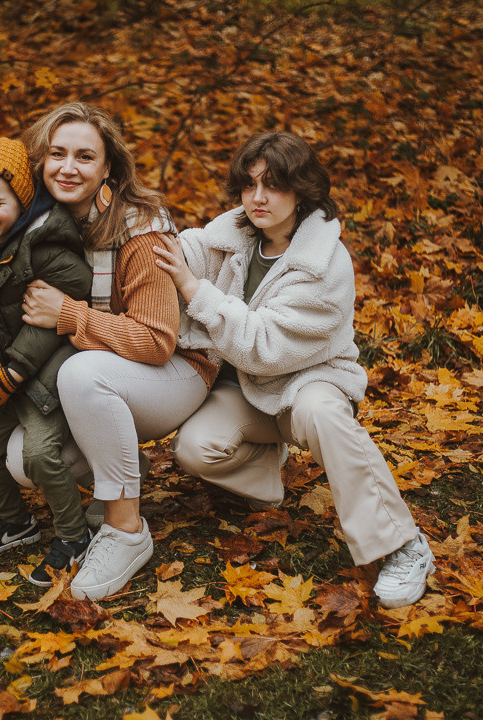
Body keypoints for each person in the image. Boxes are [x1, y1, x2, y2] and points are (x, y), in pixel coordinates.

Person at [152, 131, 435, 608]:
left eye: (274, 185)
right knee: (195, 450)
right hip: (249, 389)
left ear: (301, 190)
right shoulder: (235, 236)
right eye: (250, 184)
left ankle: (402, 544)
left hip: (310, 382)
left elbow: (262, 346)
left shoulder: (324, 263)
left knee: (322, 414)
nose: (258, 197)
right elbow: (184, 249)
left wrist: (193, 289)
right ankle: (267, 474)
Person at [17, 103, 216, 601]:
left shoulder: (139, 229)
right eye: (57, 154)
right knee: (22, 459)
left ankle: (126, 530)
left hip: (179, 369)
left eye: (85, 157)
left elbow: (156, 340)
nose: (68, 167)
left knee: (82, 374)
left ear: (108, 167)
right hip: (111, 370)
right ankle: (128, 469)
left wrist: (68, 314)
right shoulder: (41, 220)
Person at [0, 137, 93, 586]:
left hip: (44, 374)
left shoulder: (44, 247)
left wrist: (17, 369)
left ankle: (74, 534)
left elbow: (59, 311)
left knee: (40, 454)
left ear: (22, 202)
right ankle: (16, 521)